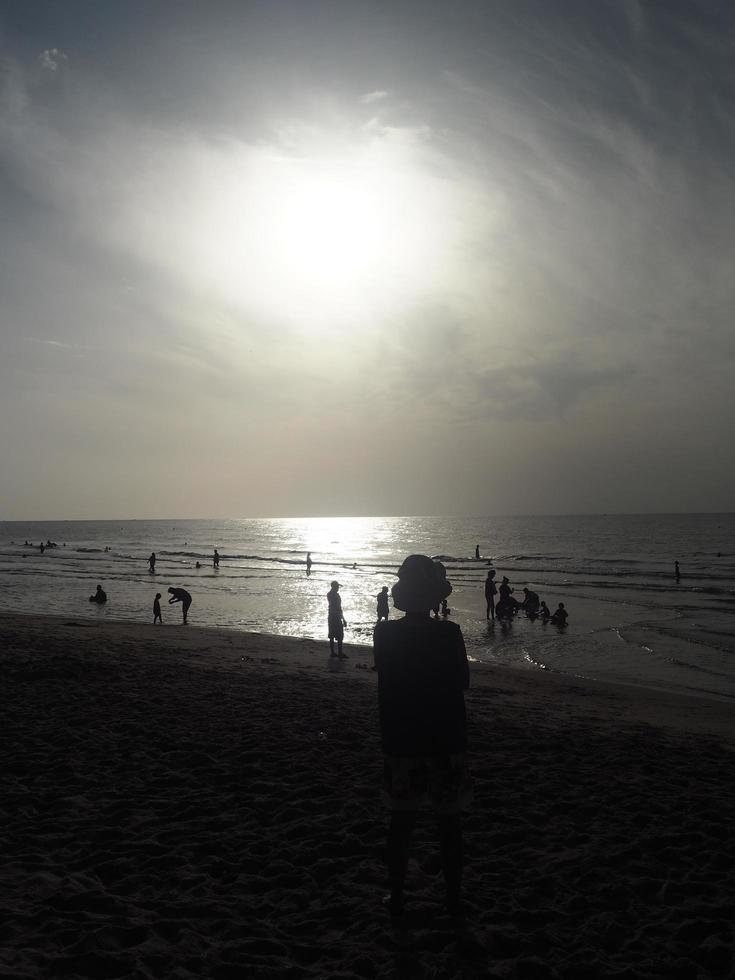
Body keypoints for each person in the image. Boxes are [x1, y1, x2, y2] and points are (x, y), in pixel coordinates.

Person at [373, 555, 471, 922]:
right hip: (445, 735)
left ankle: (396, 896)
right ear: (434, 598)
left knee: (401, 823)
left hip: (402, 735)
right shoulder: (449, 633)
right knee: (449, 824)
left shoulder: (384, 633)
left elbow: (386, 677)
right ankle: (453, 898)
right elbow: (462, 681)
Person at [327, 581, 348, 658]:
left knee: (332, 635)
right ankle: (339, 652)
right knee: (340, 635)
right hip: (336, 617)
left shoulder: (329, 594)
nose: (338, 588)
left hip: (331, 616)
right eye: (337, 587)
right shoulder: (335, 595)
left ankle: (333, 652)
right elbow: (339, 608)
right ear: (334, 587)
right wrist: (343, 619)